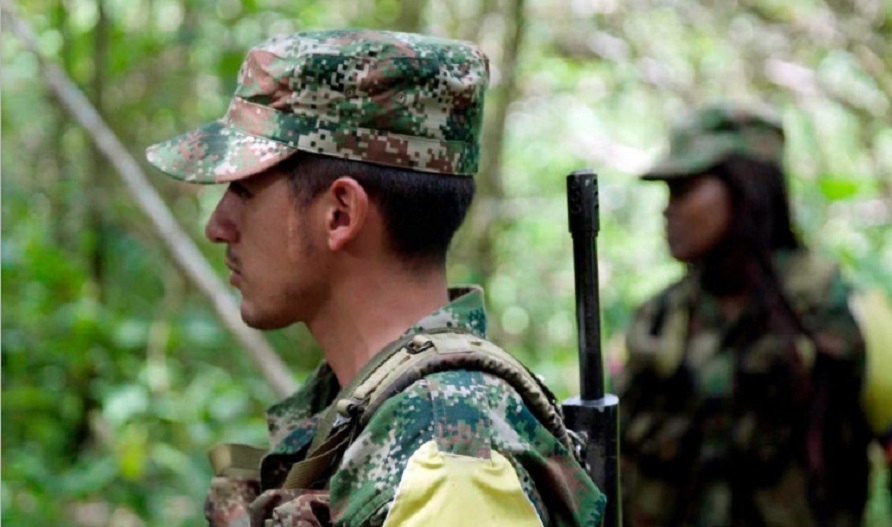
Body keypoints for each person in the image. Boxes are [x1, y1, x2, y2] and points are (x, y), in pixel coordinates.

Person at [145, 29, 605, 527]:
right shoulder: (361, 413)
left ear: (340, 214)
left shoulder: (451, 463)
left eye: (243, 191)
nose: (218, 227)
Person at [618, 103, 874, 527]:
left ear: (746, 187)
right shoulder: (658, 321)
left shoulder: (831, 309)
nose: (669, 210)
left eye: (684, 190)